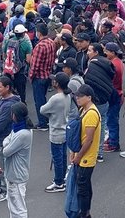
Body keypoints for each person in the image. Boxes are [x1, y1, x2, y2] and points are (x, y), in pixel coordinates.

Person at [71, 84, 101, 218]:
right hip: (81, 155)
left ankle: (84, 214)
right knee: (85, 186)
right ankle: (85, 212)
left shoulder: (91, 114)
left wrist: (78, 156)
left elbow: (88, 140)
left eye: (80, 96)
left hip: (86, 158)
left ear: (89, 97)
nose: (77, 98)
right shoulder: (83, 110)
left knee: (82, 189)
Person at [40, 72, 70, 193]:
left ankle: (58, 182)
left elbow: (42, 109)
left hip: (56, 131)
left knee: (57, 158)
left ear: (57, 83)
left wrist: (50, 115)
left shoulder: (55, 98)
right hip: (64, 130)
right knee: (62, 157)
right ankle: (61, 179)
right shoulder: (67, 96)